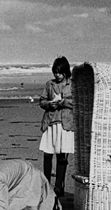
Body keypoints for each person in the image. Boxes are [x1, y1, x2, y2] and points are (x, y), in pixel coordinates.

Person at [39, 56, 74, 197]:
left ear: (65, 72)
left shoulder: (72, 85)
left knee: (62, 155)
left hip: (65, 123)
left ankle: (59, 185)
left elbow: (77, 103)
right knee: (47, 154)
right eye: (55, 72)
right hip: (50, 122)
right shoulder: (49, 84)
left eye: (59, 72)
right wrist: (49, 104)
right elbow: (42, 101)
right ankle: (47, 183)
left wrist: (63, 102)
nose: (57, 75)